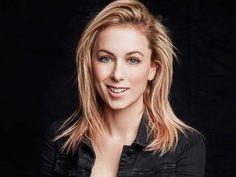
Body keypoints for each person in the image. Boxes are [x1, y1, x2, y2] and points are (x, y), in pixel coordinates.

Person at [39, 0, 206, 176]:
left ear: (152, 69)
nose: (117, 75)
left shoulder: (185, 147)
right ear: (89, 64)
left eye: (133, 60)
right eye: (106, 58)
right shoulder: (60, 139)